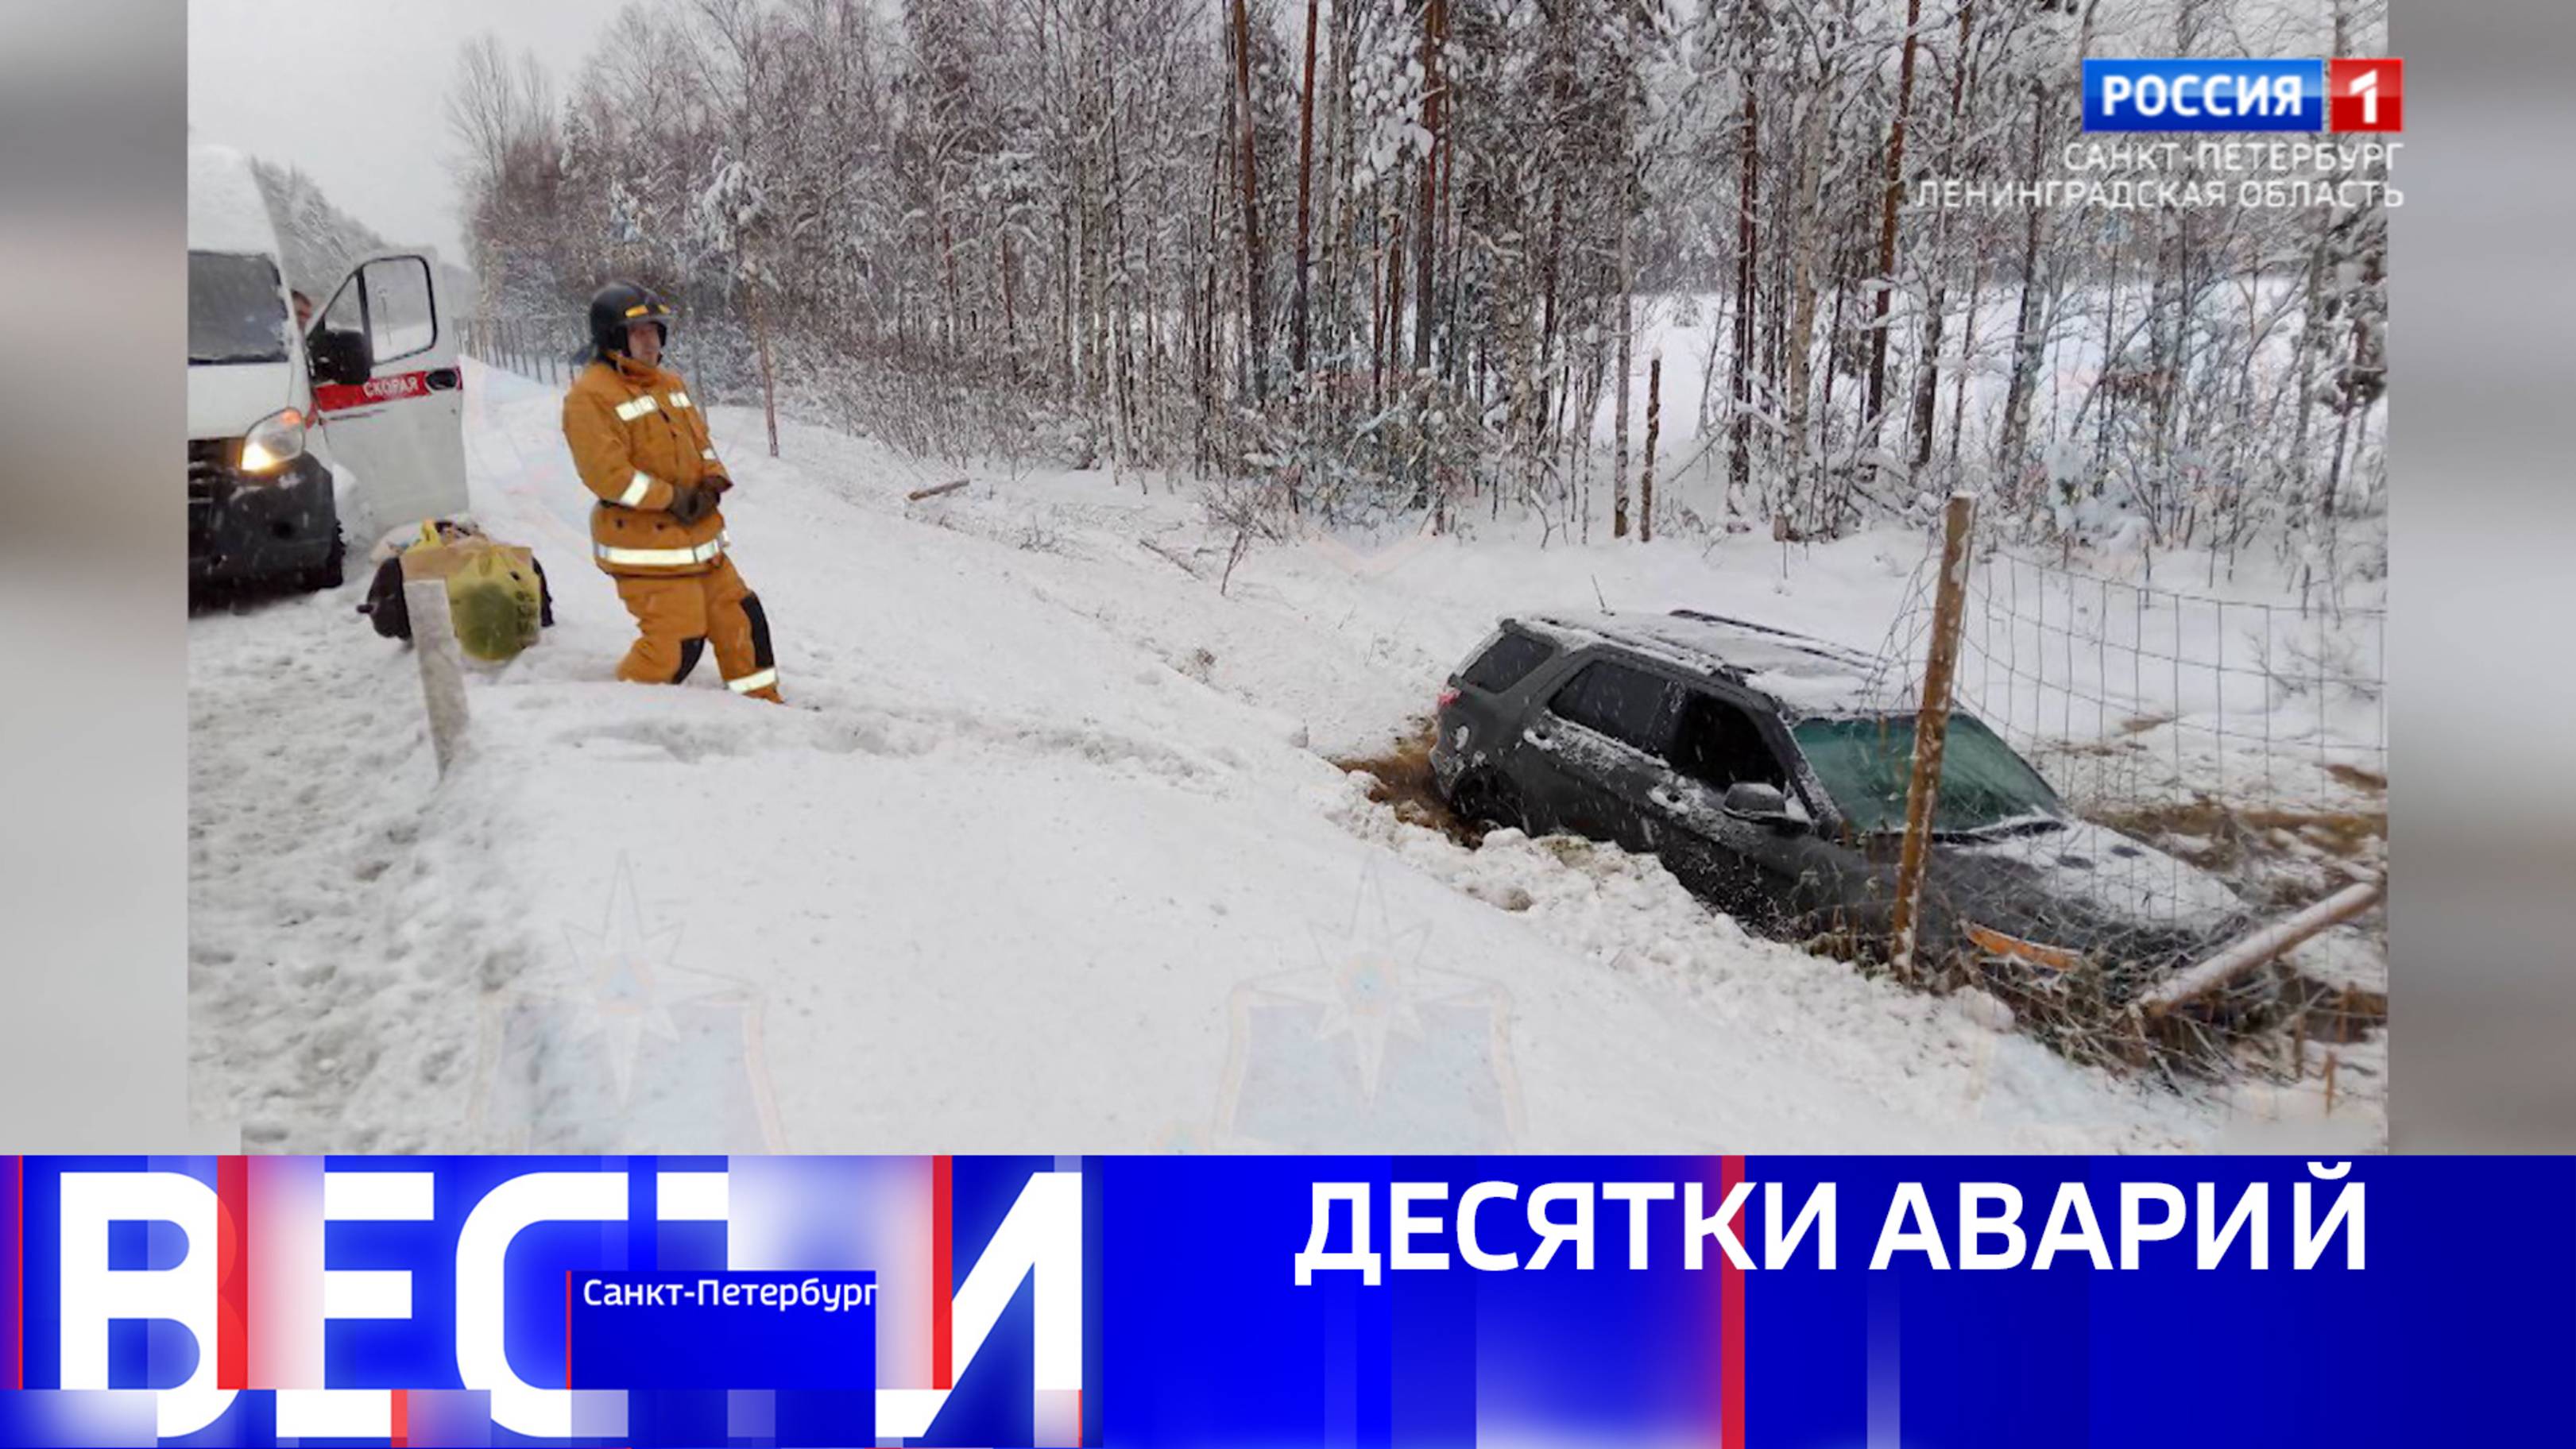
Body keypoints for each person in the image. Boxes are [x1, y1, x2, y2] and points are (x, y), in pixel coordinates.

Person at [559, 281, 781, 701]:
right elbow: (609, 476)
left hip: (700, 540)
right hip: (646, 548)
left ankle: (765, 709)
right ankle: (618, 714)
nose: (650, 340)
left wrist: (713, 477)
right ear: (613, 338)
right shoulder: (589, 398)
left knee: (743, 620)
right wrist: (673, 498)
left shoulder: (669, 384)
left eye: (654, 330)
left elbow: (700, 442)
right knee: (675, 646)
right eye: (638, 332)